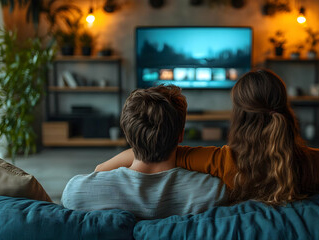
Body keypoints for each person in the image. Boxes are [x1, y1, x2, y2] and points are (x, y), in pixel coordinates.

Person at [96, 69, 319, 206]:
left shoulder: (221, 162)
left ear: (239, 116)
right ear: (285, 110)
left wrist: (102, 167)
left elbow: (166, 150)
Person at [62, 85, 227, 219]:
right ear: (181, 135)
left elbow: (98, 172)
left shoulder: (76, 191)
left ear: (127, 134)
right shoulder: (212, 191)